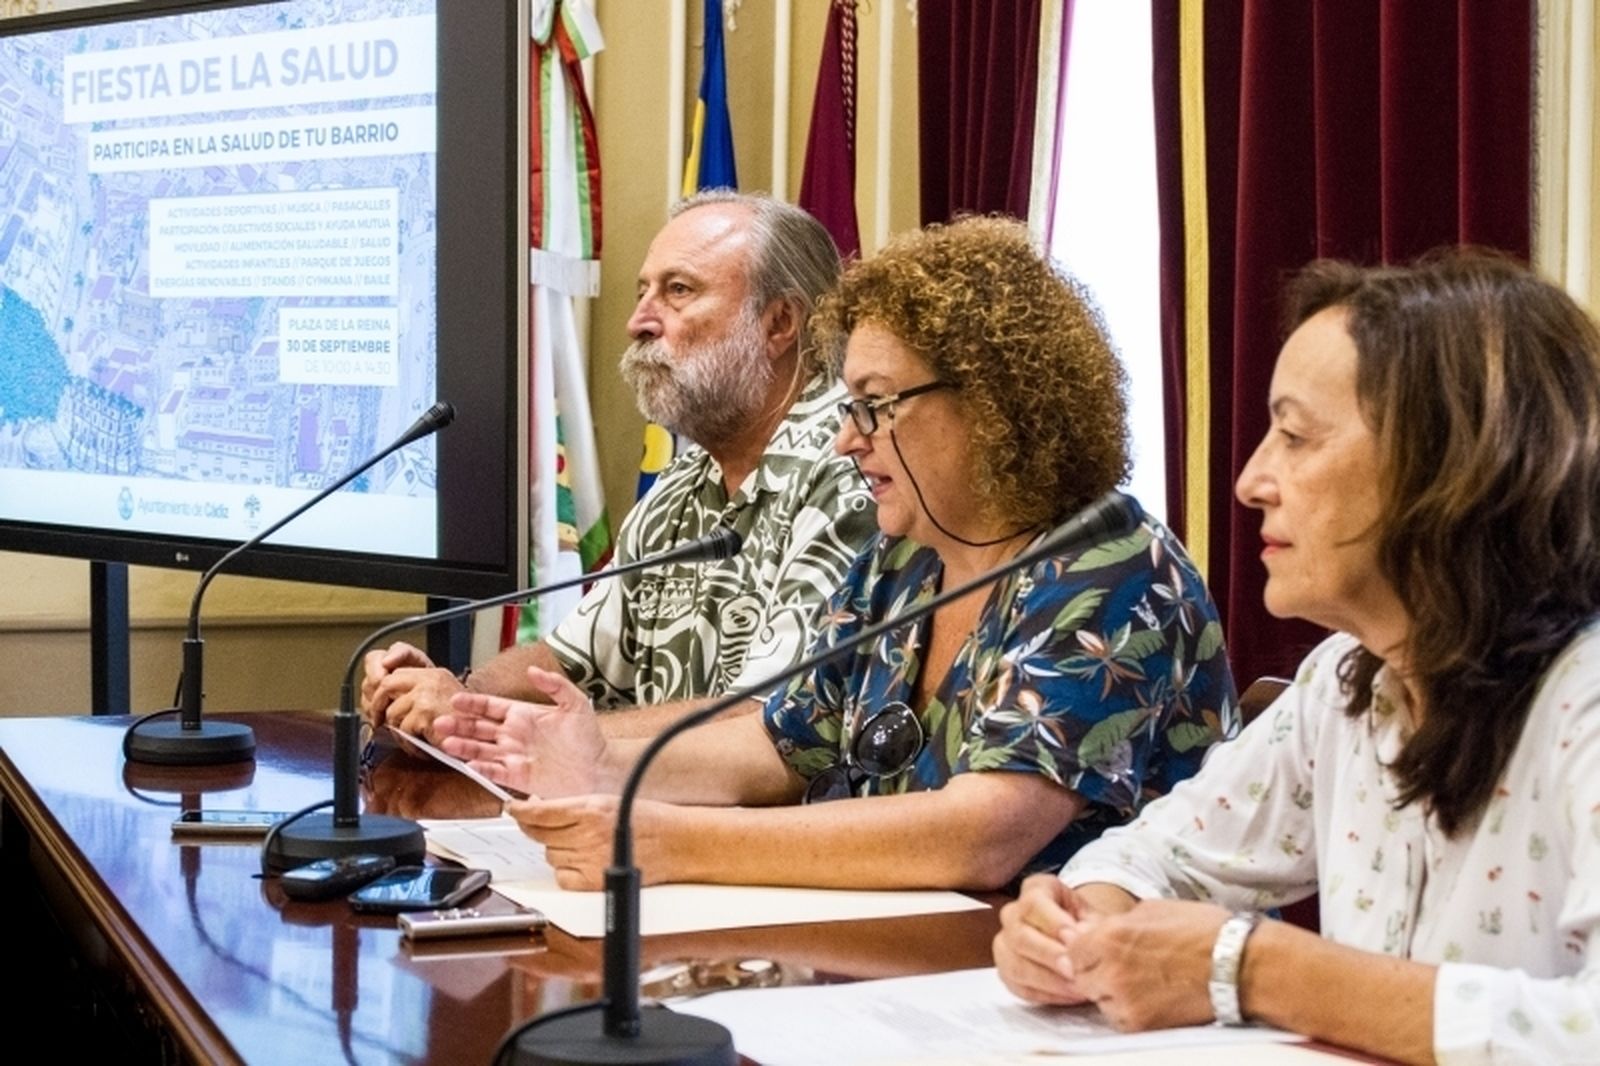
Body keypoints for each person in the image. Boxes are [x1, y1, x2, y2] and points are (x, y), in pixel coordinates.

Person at [433, 217, 1236, 891]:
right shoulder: (907, 559)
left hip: (1109, 1001)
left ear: (992, 402)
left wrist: (671, 842)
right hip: (923, 972)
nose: (848, 438)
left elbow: (984, 833)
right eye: (848, 405)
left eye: (876, 405)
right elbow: (776, 745)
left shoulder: (1111, 568)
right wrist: (598, 760)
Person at [993, 250, 1600, 1065]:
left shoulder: (1586, 698)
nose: (1249, 481)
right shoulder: (1347, 678)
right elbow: (1155, 856)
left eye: (1296, 435)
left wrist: (1255, 967)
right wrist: (1079, 925)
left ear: (1449, 464)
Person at [362, 190, 878, 743]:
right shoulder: (683, 485)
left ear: (779, 323)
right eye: (642, 293)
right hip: (658, 812)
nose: (638, 322)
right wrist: (460, 693)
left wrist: (497, 722)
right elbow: (572, 661)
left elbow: (769, 722)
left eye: (678, 291)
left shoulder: (855, 467)